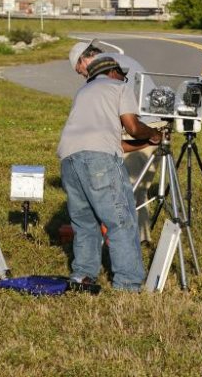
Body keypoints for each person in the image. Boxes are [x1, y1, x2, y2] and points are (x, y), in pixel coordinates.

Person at [57, 56, 163, 292]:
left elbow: (114, 144)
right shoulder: (118, 86)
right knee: (121, 220)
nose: (124, 78)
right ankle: (127, 283)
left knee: (84, 223)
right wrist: (155, 134)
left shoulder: (84, 93)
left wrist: (146, 142)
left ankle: (83, 275)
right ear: (113, 72)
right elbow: (133, 127)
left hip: (69, 160)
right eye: (122, 74)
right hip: (99, 159)